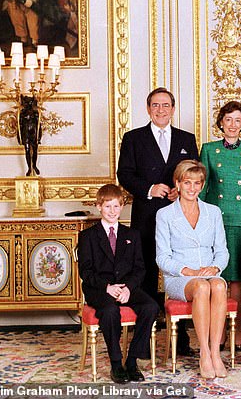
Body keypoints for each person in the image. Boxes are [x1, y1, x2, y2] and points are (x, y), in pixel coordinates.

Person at [117, 87, 199, 356]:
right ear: (148, 108)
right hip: (147, 217)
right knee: (147, 276)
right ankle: (146, 341)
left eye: (166, 105)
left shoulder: (187, 138)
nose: (161, 110)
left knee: (180, 272)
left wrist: (180, 189)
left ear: (173, 109)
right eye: (155, 105)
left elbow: (193, 171)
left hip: (180, 216)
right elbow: (124, 174)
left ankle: (182, 340)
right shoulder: (133, 138)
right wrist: (149, 188)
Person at [78, 184, 159, 384]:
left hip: (126, 286)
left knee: (151, 307)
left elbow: (139, 268)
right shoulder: (87, 236)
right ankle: (116, 363)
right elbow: (85, 272)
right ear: (99, 207)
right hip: (99, 288)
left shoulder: (132, 235)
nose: (112, 211)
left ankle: (131, 361)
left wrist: (129, 288)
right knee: (110, 311)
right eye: (107, 207)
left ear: (122, 207)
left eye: (116, 206)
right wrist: (107, 287)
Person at [155, 160, 230, 379]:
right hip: (179, 277)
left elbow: (223, 251)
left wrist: (215, 267)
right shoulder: (165, 215)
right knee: (201, 287)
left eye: (197, 183)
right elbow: (162, 257)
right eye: (187, 182)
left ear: (203, 185)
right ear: (177, 184)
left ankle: (216, 352)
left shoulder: (213, 212)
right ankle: (204, 353)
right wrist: (185, 270)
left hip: (209, 273)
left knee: (217, 285)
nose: (192, 188)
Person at [199, 101, 241, 351]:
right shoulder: (208, 150)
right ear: (221, 123)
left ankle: (236, 329)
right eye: (228, 120)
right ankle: (220, 330)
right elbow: (202, 191)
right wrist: (199, 222)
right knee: (218, 277)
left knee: (237, 278)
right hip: (215, 222)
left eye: (238, 120)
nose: (233, 125)